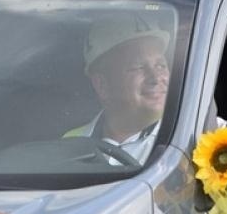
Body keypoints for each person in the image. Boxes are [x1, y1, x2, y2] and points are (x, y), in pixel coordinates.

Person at [64, 13, 173, 162]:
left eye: (161, 66)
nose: (155, 78)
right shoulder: (69, 145)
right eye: (139, 66)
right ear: (102, 84)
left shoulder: (199, 139)